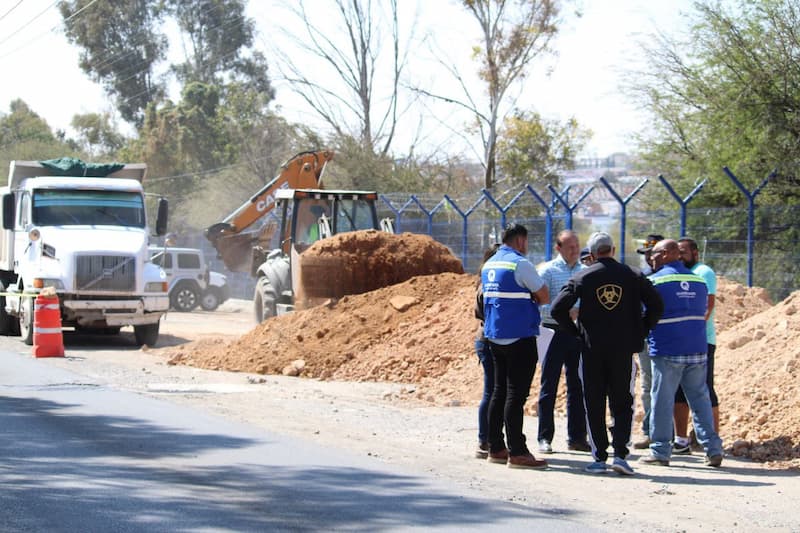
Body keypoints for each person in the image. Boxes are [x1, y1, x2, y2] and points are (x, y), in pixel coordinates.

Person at [550, 232, 663, 475]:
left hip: (592, 350)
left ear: (591, 254)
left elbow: (558, 308)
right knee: (623, 400)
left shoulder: (583, 276)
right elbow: (657, 304)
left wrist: (576, 333)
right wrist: (641, 330)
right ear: (612, 250)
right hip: (623, 349)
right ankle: (620, 454)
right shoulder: (633, 275)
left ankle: (599, 457)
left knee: (594, 401)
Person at [640, 239, 724, 468]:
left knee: (662, 400)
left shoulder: (655, 281)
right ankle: (713, 449)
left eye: (654, 254)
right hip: (697, 349)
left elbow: (643, 313)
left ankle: (659, 451)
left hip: (667, 350)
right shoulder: (698, 281)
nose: (651, 258)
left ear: (667, 254)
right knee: (700, 399)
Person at [481, 223, 550, 469]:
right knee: (515, 395)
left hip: (494, 336)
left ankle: (495, 447)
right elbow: (544, 295)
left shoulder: (489, 264)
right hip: (519, 336)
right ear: (521, 241)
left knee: (499, 391)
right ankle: (518, 451)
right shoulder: (520, 264)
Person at [535, 230, 589, 454]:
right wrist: (564, 312)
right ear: (558, 248)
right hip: (552, 332)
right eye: (570, 246)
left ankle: (577, 437)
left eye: (576, 246)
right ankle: (544, 437)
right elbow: (538, 304)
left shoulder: (585, 272)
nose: (575, 250)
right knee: (549, 385)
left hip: (577, 334)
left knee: (578, 386)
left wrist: (580, 311)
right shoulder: (547, 271)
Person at [672, 236, 719, 454]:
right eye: (677, 251)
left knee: (704, 389)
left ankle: (711, 439)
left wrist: (691, 330)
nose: (680, 255)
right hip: (681, 342)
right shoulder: (679, 274)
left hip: (702, 341)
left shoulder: (704, 272)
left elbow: (707, 306)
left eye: (684, 251)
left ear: (695, 253)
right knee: (679, 392)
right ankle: (681, 441)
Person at [632, 233, 664, 449]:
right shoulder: (642, 276)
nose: (648, 258)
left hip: (667, 337)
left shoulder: (670, 275)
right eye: (646, 254)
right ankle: (649, 431)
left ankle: (669, 432)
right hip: (646, 337)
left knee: (668, 385)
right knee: (647, 384)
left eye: (651, 253)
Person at [473, 243, 500, 459]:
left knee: (494, 391)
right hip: (489, 341)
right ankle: (484, 440)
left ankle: (489, 438)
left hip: (488, 340)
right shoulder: (487, 285)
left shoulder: (485, 282)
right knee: (491, 391)